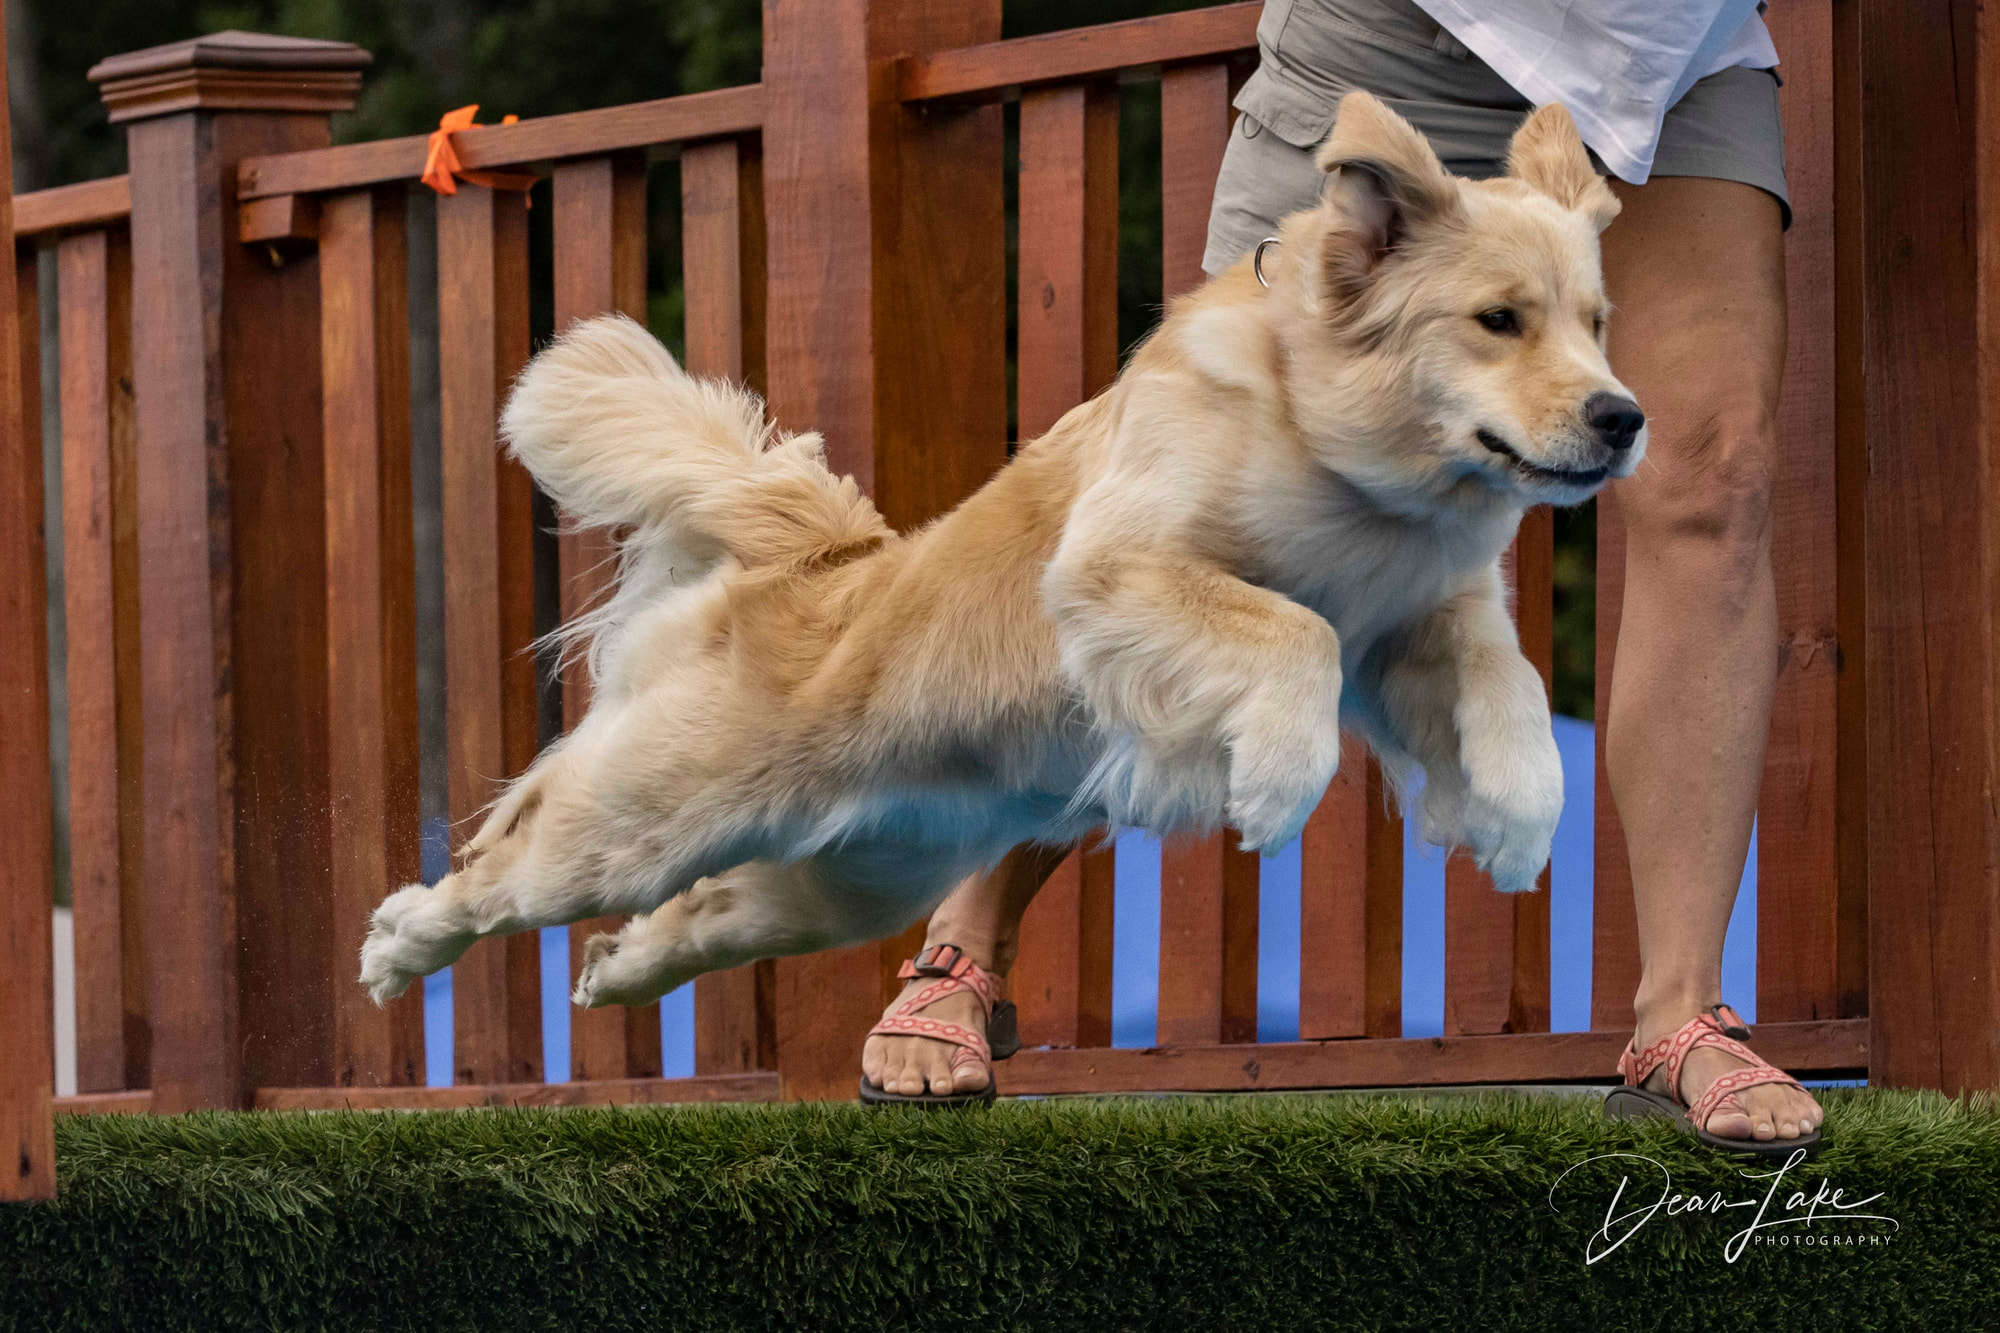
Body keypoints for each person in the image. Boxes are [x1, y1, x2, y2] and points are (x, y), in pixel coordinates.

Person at [859, 0, 1825, 1150]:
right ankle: (970, 936)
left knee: (1713, 475)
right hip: (1394, 33)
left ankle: (1678, 1010)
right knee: (1210, 512)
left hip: (1673, 60)